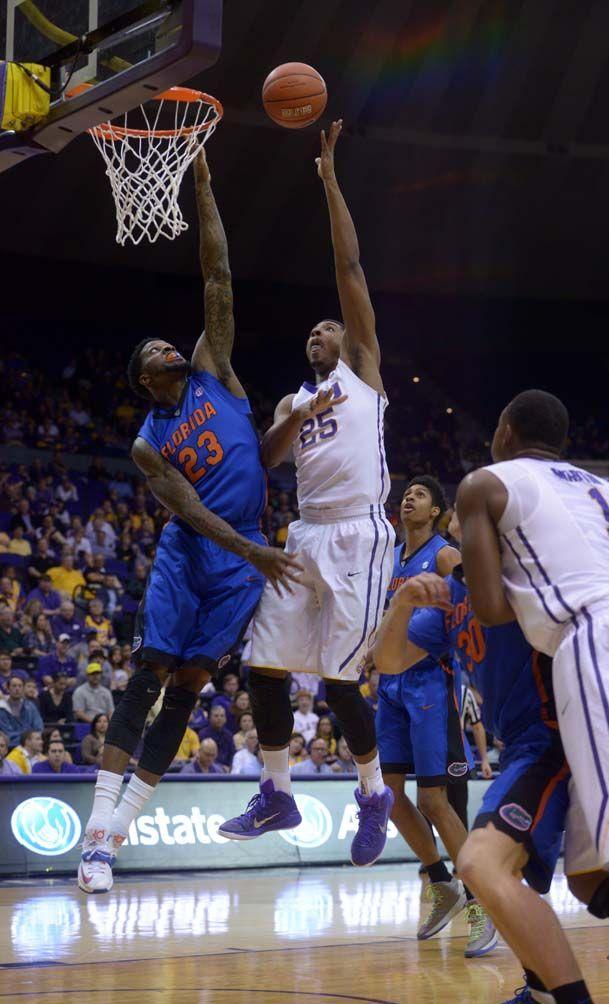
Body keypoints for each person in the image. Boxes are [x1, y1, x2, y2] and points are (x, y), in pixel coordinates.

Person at [78, 149, 301, 895]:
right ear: (148, 377)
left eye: (174, 345)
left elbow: (217, 277)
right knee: (149, 674)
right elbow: (194, 512)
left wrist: (204, 184)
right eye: (158, 353)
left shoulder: (216, 369)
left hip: (244, 561)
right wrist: (253, 549)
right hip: (199, 550)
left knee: (193, 686)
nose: (173, 347)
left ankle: (119, 836)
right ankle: (93, 832)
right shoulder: (148, 442)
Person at [455, 388, 609, 1003]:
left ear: (504, 430)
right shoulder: (608, 491)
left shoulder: (484, 484)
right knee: (588, 872)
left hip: (593, 642)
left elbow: (492, 610)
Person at [220, 122, 395, 866]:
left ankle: (373, 792)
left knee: (338, 682)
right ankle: (279, 791)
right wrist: (298, 417)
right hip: (306, 534)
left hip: (359, 532)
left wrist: (328, 181)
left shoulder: (362, 372)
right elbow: (263, 460)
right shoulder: (296, 400)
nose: (320, 333)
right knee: (260, 663)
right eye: (314, 332)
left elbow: (349, 266)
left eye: (328, 327)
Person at [373, 477, 485, 948]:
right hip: (390, 687)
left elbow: (470, 603)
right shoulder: (390, 559)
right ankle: (442, 883)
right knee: (389, 797)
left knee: (436, 801)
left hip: (430, 685)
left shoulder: (443, 554)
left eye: (420, 494)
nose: (409, 497)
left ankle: (484, 902)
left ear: (437, 510)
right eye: (407, 492)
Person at [0, 677, 44, 747]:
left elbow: (39, 728)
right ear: (8, 689)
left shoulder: (30, 706)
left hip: (31, 745)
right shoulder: (2, 708)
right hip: (10, 746)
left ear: (23, 689)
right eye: (14, 686)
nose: (17, 689)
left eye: (20, 686)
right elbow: (7, 734)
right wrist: (27, 739)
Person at [198, 705, 235, 770]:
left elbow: (232, 755)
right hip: (208, 768)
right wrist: (220, 767)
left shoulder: (229, 735)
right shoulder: (203, 734)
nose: (219, 718)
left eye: (222, 716)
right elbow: (203, 756)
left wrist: (230, 767)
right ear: (209, 718)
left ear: (225, 719)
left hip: (227, 769)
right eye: (216, 716)